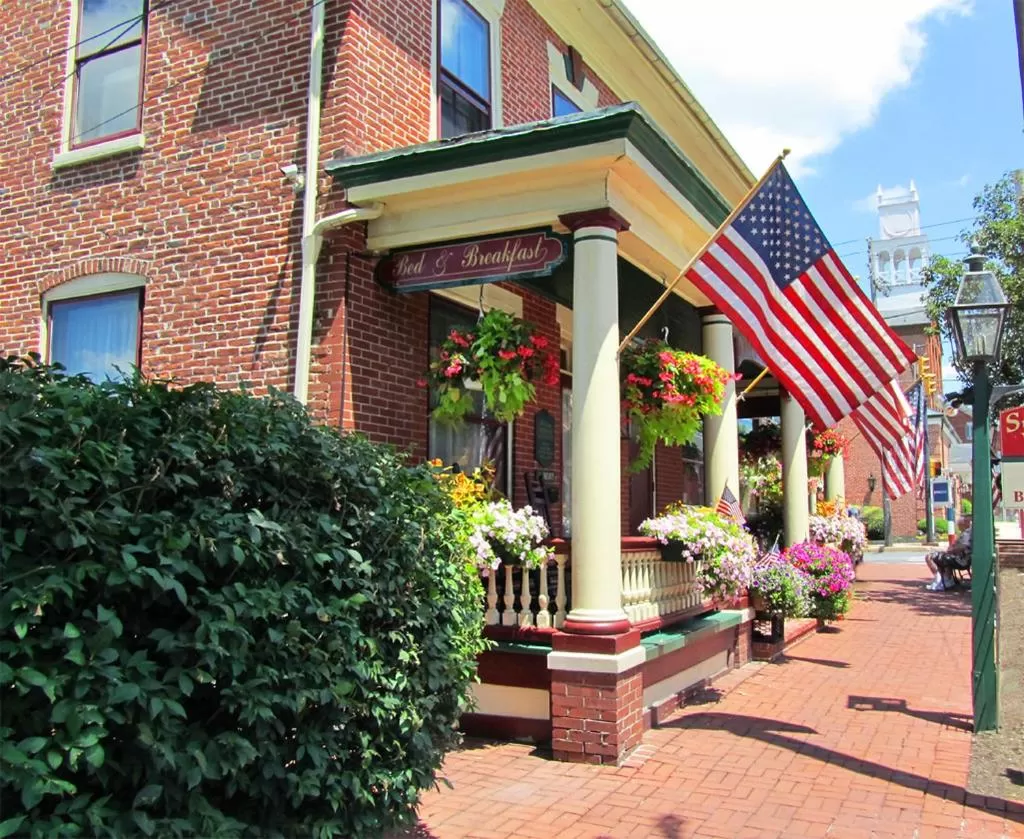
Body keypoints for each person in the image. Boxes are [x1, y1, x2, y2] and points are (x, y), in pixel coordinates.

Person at [925, 519, 972, 591]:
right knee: (940, 557)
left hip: (962, 559)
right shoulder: (968, 532)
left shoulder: (967, 533)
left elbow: (963, 546)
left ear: (965, 523)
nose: (958, 526)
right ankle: (944, 580)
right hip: (962, 558)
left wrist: (949, 550)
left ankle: (940, 580)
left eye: (959, 524)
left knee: (930, 557)